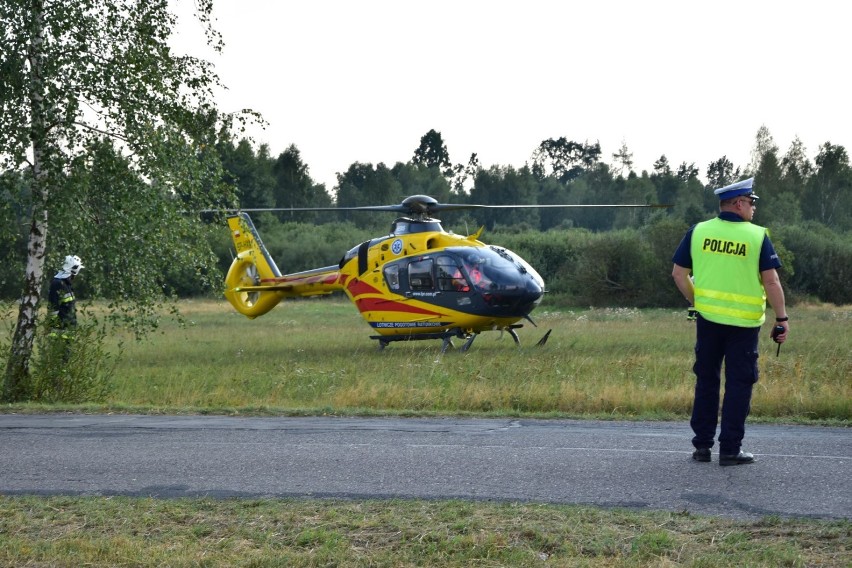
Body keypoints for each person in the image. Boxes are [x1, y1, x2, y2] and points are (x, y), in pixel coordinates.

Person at [671, 178, 789, 466]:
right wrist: (782, 318)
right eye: (751, 202)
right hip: (744, 326)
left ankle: (701, 448)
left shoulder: (698, 231)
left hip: (708, 321)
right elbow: (771, 281)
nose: (753, 208)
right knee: (739, 384)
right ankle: (730, 450)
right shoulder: (757, 236)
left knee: (706, 381)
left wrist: (697, 302)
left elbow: (678, 273)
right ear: (738, 204)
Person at [48, 255, 84, 339]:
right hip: (59, 334)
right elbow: (53, 308)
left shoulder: (67, 285)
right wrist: (52, 326)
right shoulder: (58, 284)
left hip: (68, 332)